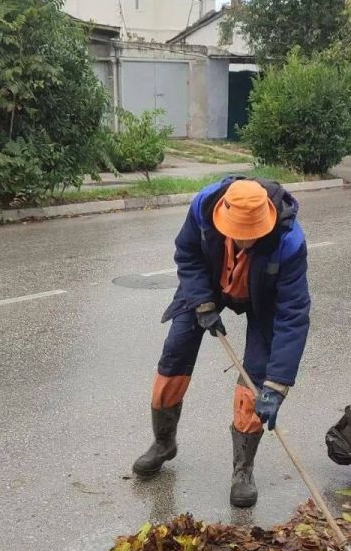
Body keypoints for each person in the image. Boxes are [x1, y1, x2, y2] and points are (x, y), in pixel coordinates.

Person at [132, 177, 311, 507]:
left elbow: (293, 315)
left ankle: (243, 470)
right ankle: (163, 443)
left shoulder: (288, 240)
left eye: (252, 234)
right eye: (238, 233)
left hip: (262, 297)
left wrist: (277, 385)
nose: (244, 241)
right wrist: (202, 302)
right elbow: (188, 254)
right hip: (208, 285)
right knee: (174, 357)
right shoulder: (204, 207)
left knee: (256, 378)